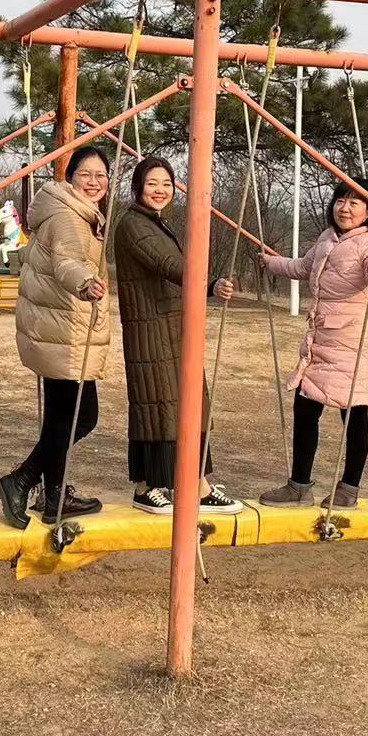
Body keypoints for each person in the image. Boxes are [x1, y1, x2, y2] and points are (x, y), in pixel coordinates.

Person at [113, 155, 242, 515]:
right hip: (151, 329)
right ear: (138, 187)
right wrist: (209, 283)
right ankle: (149, 487)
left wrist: (206, 285)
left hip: (171, 328)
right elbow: (167, 265)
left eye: (167, 184)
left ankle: (197, 485)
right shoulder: (134, 225)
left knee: (186, 404)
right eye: (152, 183)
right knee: (159, 406)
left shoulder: (153, 222)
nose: (160, 190)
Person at [0, 144, 112, 529]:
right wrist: (86, 282)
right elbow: (67, 262)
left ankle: (55, 495)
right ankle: (20, 480)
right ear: (70, 177)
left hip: (55, 328)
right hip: (64, 331)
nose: (94, 182)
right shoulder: (68, 217)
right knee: (82, 417)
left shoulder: (73, 211)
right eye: (85, 174)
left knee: (60, 419)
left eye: (101, 175)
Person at [257, 178, 368, 508]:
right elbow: (303, 267)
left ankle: (349, 489)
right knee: (305, 408)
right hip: (320, 341)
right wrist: (270, 262)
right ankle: (299, 485)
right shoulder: (326, 238)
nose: (345, 208)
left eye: (355, 202)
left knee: (354, 414)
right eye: (341, 201)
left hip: (353, 342)